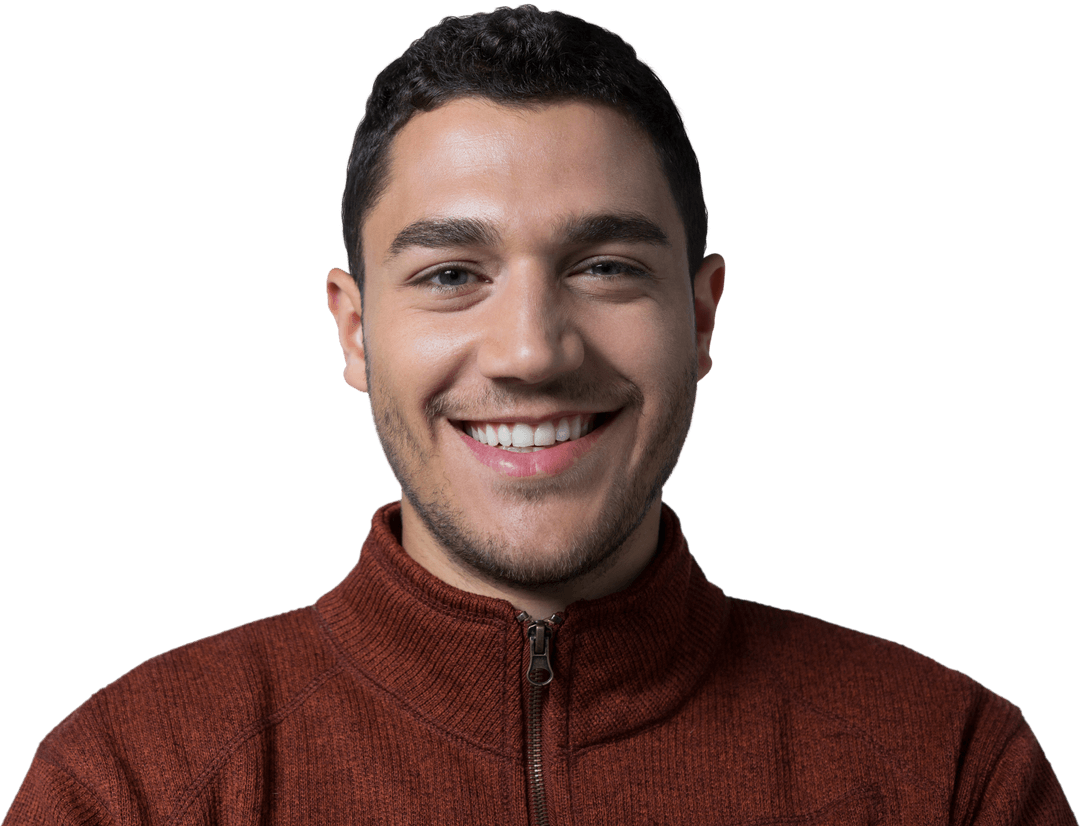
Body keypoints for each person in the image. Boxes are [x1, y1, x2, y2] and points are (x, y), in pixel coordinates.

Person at [4, 6, 1075, 824]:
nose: (529, 350)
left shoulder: (951, 770)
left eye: (605, 266)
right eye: (450, 274)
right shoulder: (133, 780)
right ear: (354, 330)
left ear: (700, 318)